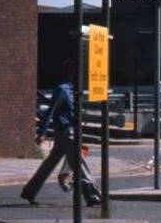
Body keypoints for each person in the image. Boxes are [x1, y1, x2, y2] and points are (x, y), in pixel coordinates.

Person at [21, 59, 101, 206]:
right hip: (65, 134)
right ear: (70, 73)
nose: (79, 76)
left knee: (49, 165)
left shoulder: (73, 89)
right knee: (80, 164)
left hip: (67, 133)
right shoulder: (62, 89)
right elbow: (51, 111)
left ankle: (29, 192)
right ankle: (93, 196)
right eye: (77, 73)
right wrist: (42, 132)